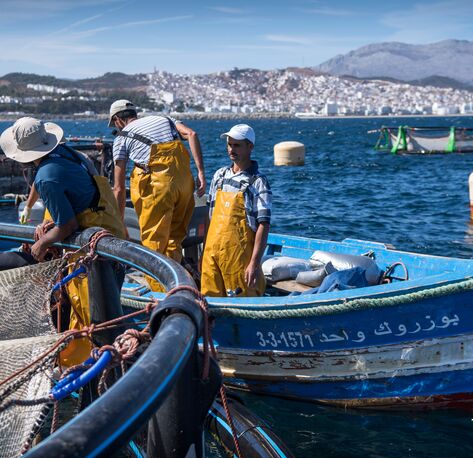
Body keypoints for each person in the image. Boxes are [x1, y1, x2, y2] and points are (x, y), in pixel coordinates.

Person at [0, 117, 126, 366]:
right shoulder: (70, 154)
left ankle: (88, 371)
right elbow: (81, 199)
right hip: (110, 237)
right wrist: (53, 224)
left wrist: (42, 243)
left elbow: (68, 226)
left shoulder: (46, 178)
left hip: (91, 252)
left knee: (89, 321)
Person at [109, 100, 206, 291]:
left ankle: (161, 294)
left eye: (114, 124)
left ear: (118, 120)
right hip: (185, 183)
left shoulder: (121, 138)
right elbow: (192, 134)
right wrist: (201, 172)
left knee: (153, 246)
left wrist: (119, 223)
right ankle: (179, 286)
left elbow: (119, 188)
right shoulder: (165, 119)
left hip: (159, 188)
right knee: (174, 240)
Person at [201, 124, 272, 297]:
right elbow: (209, 217)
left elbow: (263, 225)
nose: (231, 149)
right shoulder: (219, 175)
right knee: (208, 300)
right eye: (229, 144)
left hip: (239, 258)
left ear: (250, 147)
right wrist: (203, 254)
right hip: (211, 255)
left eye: (237, 145)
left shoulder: (258, 182)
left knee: (242, 299)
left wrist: (254, 264)